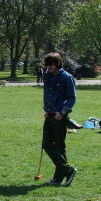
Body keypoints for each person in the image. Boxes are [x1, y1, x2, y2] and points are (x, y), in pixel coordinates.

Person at [42, 52, 77, 186]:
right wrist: (46, 109)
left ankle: (59, 177)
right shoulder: (47, 76)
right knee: (46, 144)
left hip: (59, 116)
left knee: (59, 147)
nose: (48, 67)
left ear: (57, 63)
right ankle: (68, 171)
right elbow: (47, 94)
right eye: (47, 65)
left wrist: (62, 112)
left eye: (51, 64)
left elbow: (72, 97)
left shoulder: (67, 77)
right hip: (49, 114)